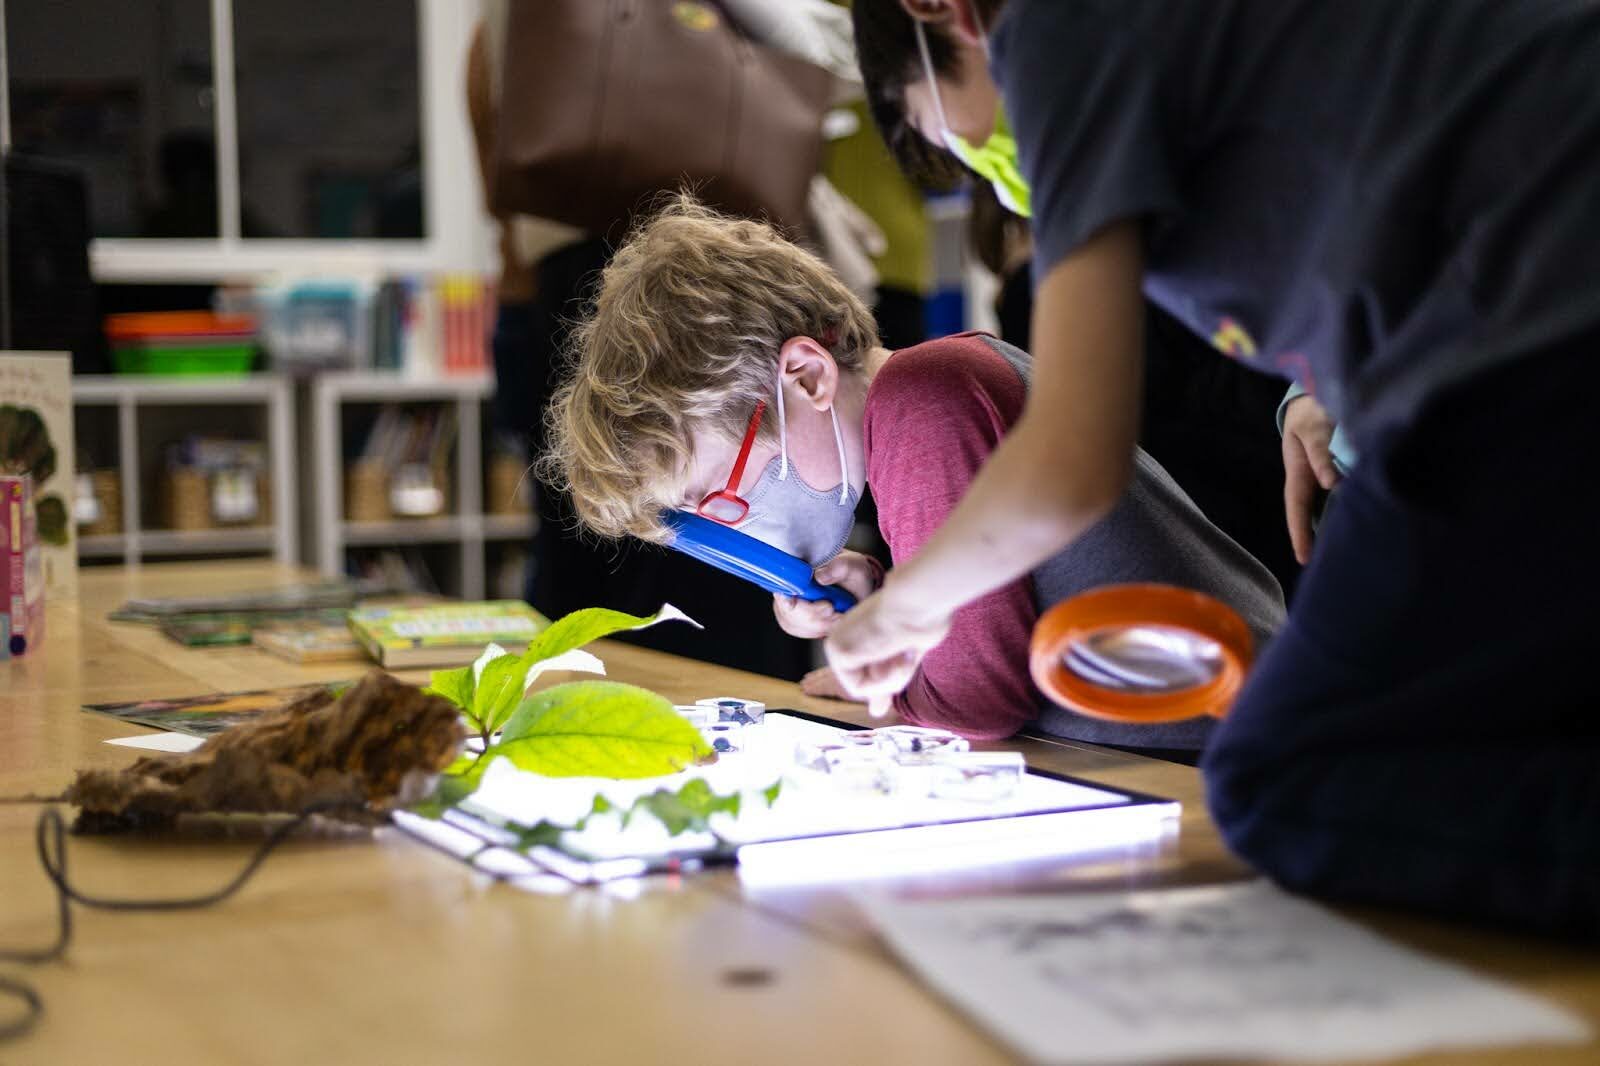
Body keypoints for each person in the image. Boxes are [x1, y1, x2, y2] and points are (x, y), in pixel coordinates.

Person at [837, 0, 1600, 937]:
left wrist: (906, 610)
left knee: (1282, 780)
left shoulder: (1054, 34)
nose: (989, 160)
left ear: (940, 13)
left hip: (1527, 341)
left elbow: (1072, 461)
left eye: (950, 125)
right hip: (1494, 341)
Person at [542, 196, 1284, 759]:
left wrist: (892, 693)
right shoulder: (922, 404)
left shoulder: (924, 405)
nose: (731, 523)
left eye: (718, 493)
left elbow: (973, 708)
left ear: (804, 377)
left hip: (1222, 761)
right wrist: (894, 609)